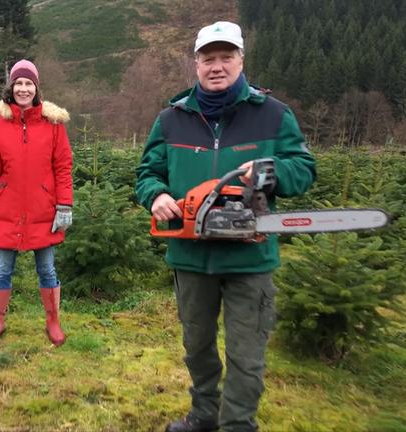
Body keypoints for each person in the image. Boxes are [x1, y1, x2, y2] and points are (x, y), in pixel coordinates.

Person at [135, 21, 316, 432]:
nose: (217, 66)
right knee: (196, 347)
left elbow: (304, 169)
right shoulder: (171, 118)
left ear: (241, 60)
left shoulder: (273, 114)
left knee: (246, 352)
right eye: (208, 58)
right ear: (196, 64)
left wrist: (270, 173)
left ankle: (237, 425)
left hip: (250, 257)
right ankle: (203, 414)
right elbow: (147, 171)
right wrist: (156, 195)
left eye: (226, 57)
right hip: (191, 256)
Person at [0, 59, 73, 346]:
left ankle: (53, 322)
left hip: (44, 209)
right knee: (3, 269)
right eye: (19, 83)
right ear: (11, 88)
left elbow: (63, 166)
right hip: (8, 208)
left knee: (47, 269)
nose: (24, 89)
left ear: (36, 88)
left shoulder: (53, 125)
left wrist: (64, 205)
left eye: (29, 83)